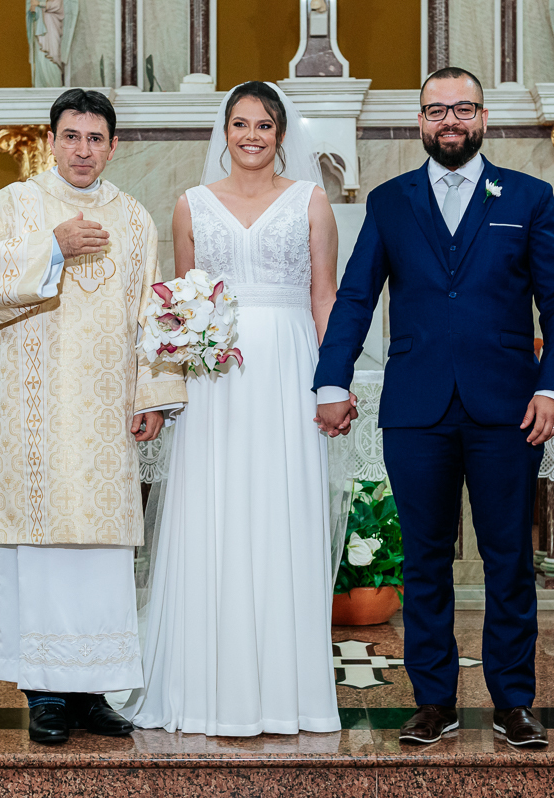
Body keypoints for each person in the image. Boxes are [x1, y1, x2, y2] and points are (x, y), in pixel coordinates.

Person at [313, 67, 554, 747]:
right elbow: (354, 298)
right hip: (417, 407)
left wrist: (553, 387)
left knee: (507, 560)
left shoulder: (527, 197)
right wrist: (331, 381)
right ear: (421, 122)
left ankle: (514, 700)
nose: (450, 121)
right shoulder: (390, 202)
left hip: (507, 408)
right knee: (426, 561)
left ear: (483, 118)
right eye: (437, 111)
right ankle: (435, 700)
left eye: (462, 109)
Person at [0, 88, 187, 745]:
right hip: (37, 421)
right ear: (51, 140)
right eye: (72, 136)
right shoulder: (12, 206)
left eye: (96, 138)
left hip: (107, 424)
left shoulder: (134, 220)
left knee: (103, 558)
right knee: (44, 555)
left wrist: (152, 396)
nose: (83, 150)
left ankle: (92, 691)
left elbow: (152, 314)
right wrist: (49, 248)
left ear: (113, 145)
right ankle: (46, 692)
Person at [125, 81, 346, 736]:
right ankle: (203, 689)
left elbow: (325, 297)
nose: (252, 135)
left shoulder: (311, 200)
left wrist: (331, 382)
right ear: (224, 132)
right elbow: (183, 300)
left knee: (280, 509)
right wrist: (170, 385)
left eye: (265, 125)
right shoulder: (190, 205)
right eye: (241, 123)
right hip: (216, 375)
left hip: (286, 368)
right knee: (211, 512)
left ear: (282, 134)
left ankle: (287, 692)